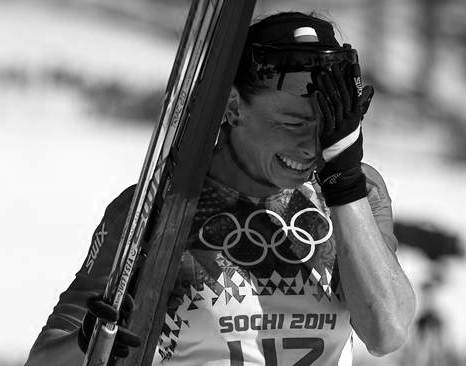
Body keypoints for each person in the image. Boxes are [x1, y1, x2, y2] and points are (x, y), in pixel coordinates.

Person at [26, 12, 416, 366]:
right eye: (293, 123)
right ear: (232, 105)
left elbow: (386, 333)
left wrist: (344, 181)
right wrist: (88, 341)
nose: (311, 146)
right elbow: (43, 361)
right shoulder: (155, 208)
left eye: (328, 126)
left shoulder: (354, 193)